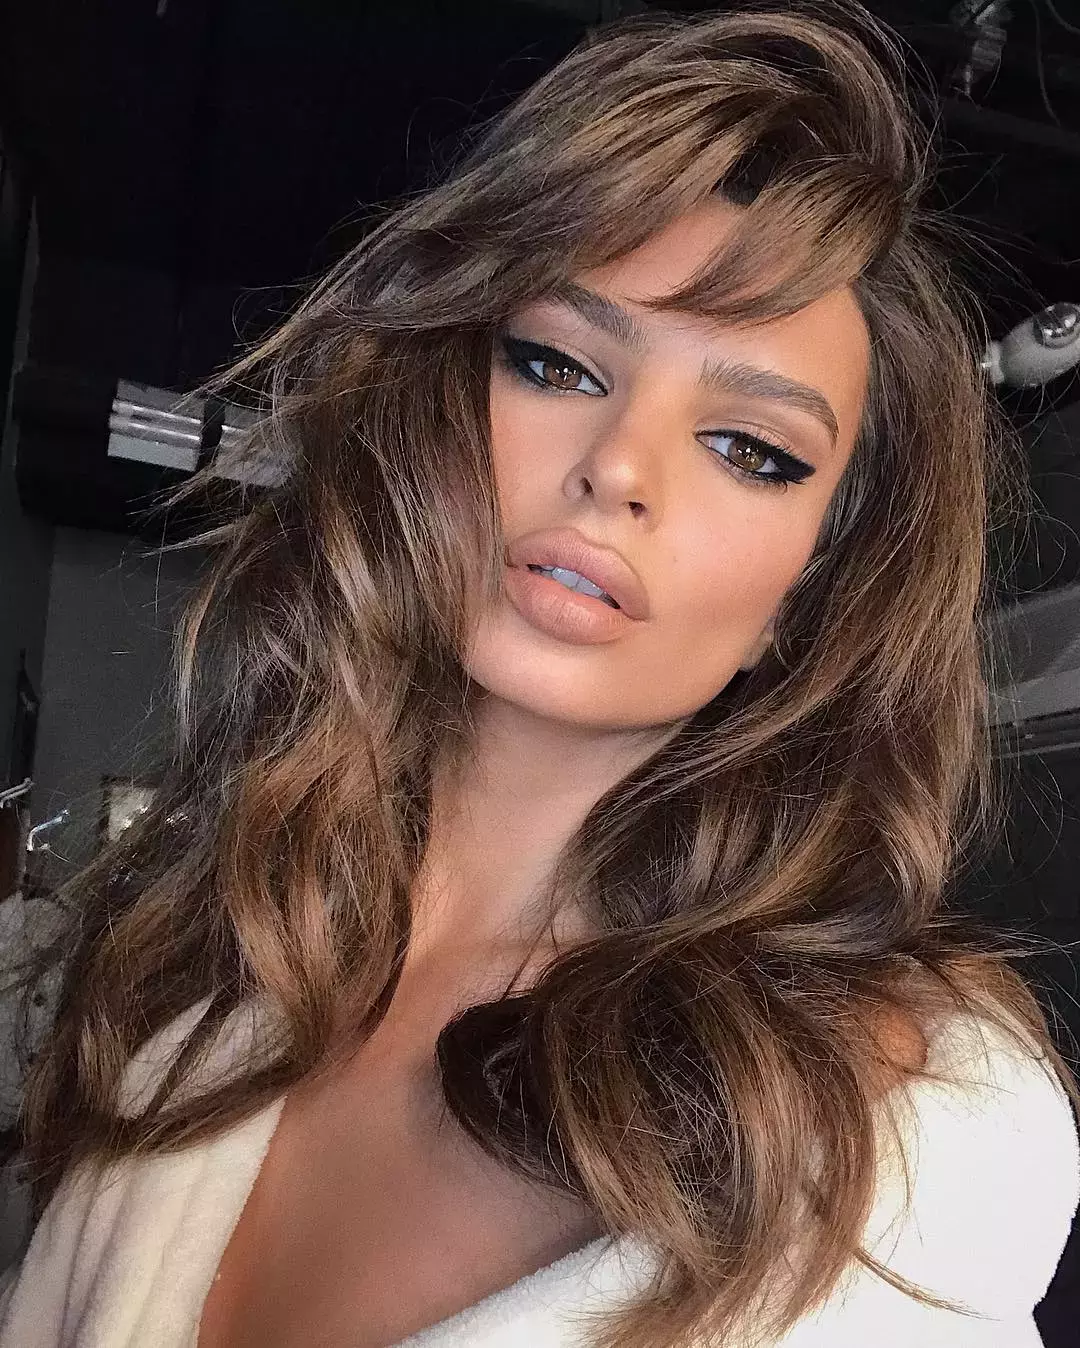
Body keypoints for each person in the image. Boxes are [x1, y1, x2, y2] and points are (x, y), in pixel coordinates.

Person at [2, 3, 1079, 1345]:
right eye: (557, 365)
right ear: (434, 414)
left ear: (804, 602)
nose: (618, 468)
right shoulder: (217, 951)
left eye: (751, 450)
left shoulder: (868, 1146)